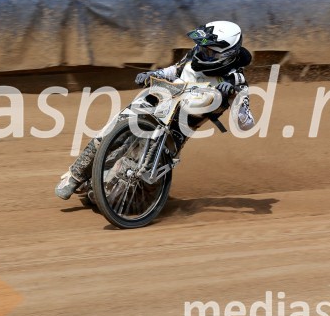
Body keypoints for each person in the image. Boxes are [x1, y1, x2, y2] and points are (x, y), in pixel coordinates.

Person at [55, 20, 255, 200]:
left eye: (209, 52)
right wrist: (153, 73)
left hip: (178, 129)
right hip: (161, 99)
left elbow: (246, 124)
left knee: (123, 189)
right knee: (112, 130)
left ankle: (106, 187)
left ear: (227, 55)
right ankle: (74, 176)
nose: (202, 53)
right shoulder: (195, 53)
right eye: (201, 48)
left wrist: (235, 97)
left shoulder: (236, 81)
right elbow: (175, 70)